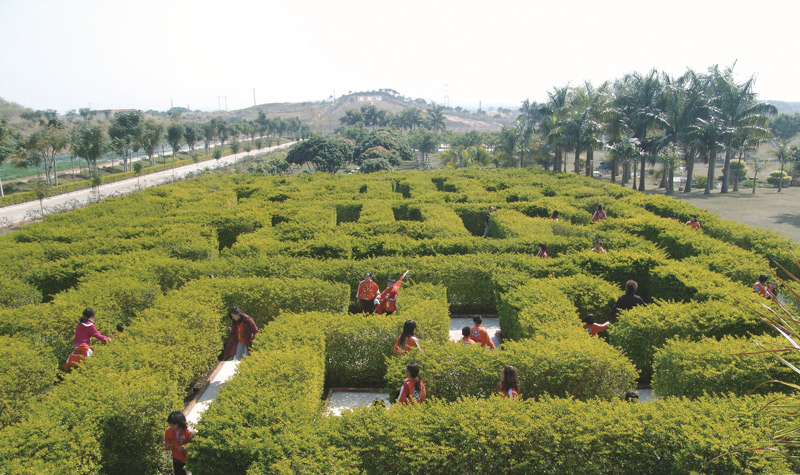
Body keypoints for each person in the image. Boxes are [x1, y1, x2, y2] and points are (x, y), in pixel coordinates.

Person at [163, 411, 194, 475]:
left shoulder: (189, 432)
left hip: (188, 458)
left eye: (173, 425)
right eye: (170, 424)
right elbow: (167, 441)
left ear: (179, 423)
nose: (171, 426)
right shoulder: (169, 431)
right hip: (177, 458)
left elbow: (195, 444)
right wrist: (167, 446)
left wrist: (184, 447)